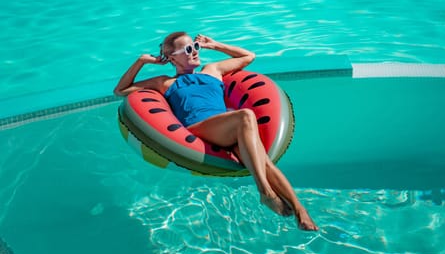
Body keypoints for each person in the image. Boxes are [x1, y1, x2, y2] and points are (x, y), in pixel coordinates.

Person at [114, 32, 318, 231]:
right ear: (172, 58)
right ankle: (264, 190)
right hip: (199, 128)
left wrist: (215, 45)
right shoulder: (165, 82)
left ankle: (301, 211)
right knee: (245, 115)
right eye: (187, 49)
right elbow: (121, 90)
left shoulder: (212, 69)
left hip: (226, 127)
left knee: (263, 161)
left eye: (195, 47)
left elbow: (249, 56)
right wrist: (142, 61)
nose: (194, 51)